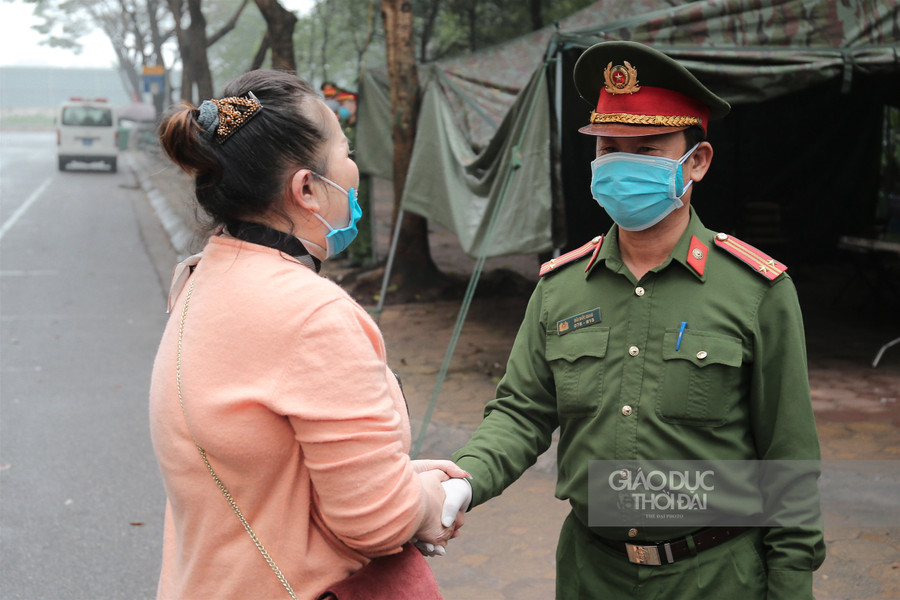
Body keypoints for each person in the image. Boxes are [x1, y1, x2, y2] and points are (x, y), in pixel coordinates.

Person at [442, 41, 825, 599]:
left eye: (646, 150)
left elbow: (787, 457)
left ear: (696, 162)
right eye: (610, 148)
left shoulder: (756, 291)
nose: (623, 164)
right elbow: (521, 412)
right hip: (591, 572)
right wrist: (464, 480)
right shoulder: (560, 288)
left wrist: (790, 585)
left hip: (715, 575)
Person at [149, 69, 467, 599]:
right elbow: (379, 523)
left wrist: (394, 477)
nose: (355, 171)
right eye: (346, 154)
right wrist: (431, 497)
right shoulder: (309, 313)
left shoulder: (198, 279)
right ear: (307, 189)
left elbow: (266, 469)